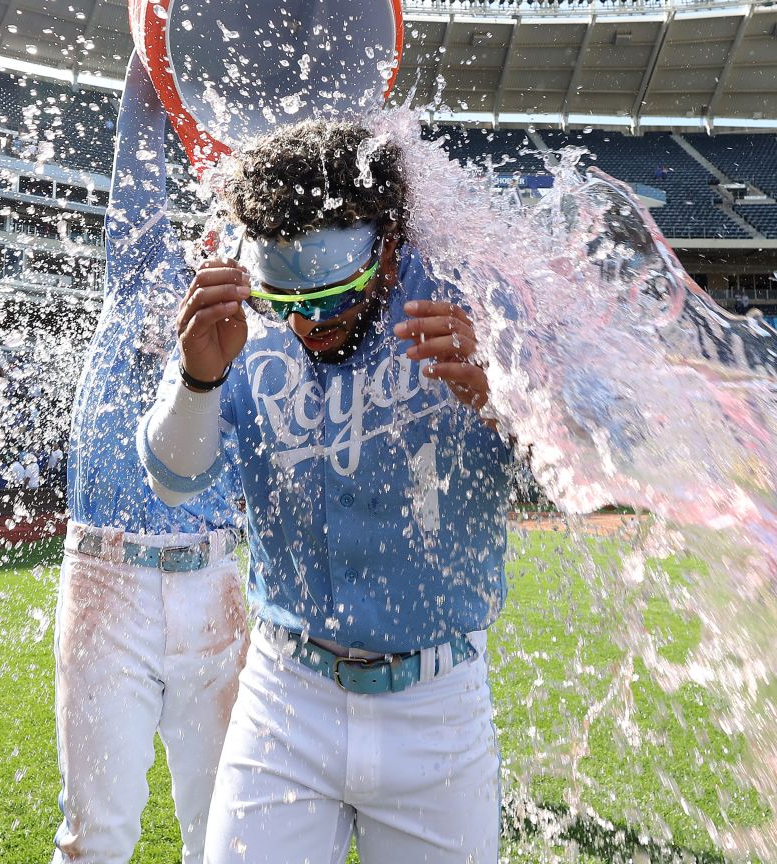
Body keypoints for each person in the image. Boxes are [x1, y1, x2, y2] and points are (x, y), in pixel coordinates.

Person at [141, 119, 513, 862]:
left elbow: (594, 459)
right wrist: (197, 379)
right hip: (287, 694)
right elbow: (174, 481)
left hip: (437, 704)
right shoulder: (239, 312)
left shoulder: (474, 299)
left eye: (332, 297)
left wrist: (505, 396)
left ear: (391, 240)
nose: (307, 325)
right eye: (287, 303)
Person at [49, 54, 246, 864]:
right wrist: (155, 42)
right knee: (95, 836)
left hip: (216, 582)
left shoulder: (257, 306)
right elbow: (138, 157)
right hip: (107, 576)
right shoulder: (138, 270)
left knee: (228, 836)